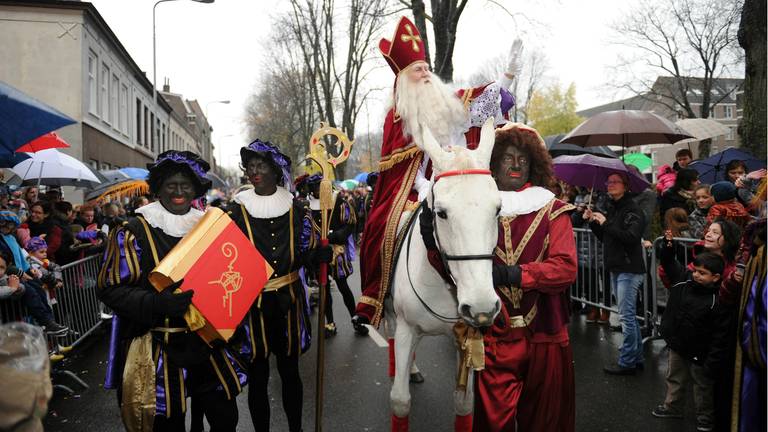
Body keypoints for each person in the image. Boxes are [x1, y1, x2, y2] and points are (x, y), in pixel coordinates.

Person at [354, 16, 518, 329]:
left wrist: (507, 75)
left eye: (427, 67)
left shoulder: (451, 104)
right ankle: (379, 296)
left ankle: (495, 289)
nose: (426, 73)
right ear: (404, 78)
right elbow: (403, 167)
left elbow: (485, 107)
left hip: (456, 179)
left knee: (485, 217)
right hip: (415, 188)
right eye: (418, 69)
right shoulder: (398, 115)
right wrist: (424, 186)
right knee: (382, 226)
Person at [97, 151, 242, 432]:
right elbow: (110, 288)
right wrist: (156, 303)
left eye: (185, 185)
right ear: (158, 187)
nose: (178, 191)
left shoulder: (212, 227)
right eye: (171, 185)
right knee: (168, 425)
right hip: (159, 348)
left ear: (196, 189)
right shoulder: (132, 230)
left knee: (226, 419)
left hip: (208, 343)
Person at [473, 123, 576, 431]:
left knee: (545, 422)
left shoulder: (553, 210)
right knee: (492, 423)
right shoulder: (477, 210)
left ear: (534, 164)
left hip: (545, 335)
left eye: (523, 158)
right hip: (493, 336)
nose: (516, 164)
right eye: (507, 157)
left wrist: (516, 274)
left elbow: (565, 268)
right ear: (493, 163)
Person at [227, 139, 329, 432]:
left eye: (261, 166)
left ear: (275, 170)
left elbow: (306, 250)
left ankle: (295, 428)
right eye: (251, 166)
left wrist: (316, 256)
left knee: (290, 372)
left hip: (289, 300)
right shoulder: (235, 211)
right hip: (252, 304)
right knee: (258, 377)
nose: (255, 172)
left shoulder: (297, 210)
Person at [652, 252, 727, 432]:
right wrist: (667, 248)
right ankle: (673, 407)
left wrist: (712, 359)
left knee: (702, 387)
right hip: (678, 344)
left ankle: (704, 418)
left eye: (702, 273)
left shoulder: (716, 301)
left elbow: (719, 335)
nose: (696, 275)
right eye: (696, 271)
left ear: (715, 277)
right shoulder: (684, 283)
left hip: (700, 352)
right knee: (674, 377)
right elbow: (670, 265)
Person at [585, 172, 647, 375]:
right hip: (616, 266)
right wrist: (594, 222)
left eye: (614, 182)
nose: (609, 185)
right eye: (608, 181)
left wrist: (605, 222)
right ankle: (636, 357)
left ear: (625, 185)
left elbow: (630, 237)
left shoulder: (633, 209)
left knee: (626, 317)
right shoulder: (614, 208)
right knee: (628, 316)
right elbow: (607, 238)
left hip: (629, 269)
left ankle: (627, 361)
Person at [303, 174, 360, 336]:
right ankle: (330, 323)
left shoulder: (338, 201)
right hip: (318, 255)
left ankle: (355, 318)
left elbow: (350, 224)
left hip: (336, 252)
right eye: (314, 188)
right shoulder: (308, 206)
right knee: (324, 289)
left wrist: (335, 236)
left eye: (319, 188)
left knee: (343, 286)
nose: (317, 191)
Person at [0, 210, 67, 335]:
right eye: (5, 224)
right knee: (30, 292)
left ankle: (49, 322)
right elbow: (5, 263)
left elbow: (20, 256)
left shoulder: (11, 238)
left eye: (10, 225)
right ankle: (46, 322)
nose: (8, 227)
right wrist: (21, 274)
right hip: (8, 276)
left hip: (21, 273)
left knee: (38, 288)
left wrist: (29, 270)